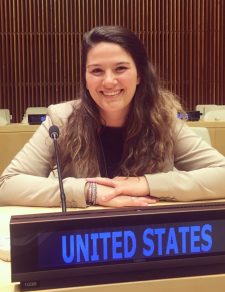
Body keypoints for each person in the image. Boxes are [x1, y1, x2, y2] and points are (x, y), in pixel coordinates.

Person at [1, 25, 225, 208]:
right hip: (86, 240)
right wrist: (89, 191)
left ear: (139, 75)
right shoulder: (61, 119)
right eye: (97, 71)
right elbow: (7, 184)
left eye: (120, 68)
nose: (108, 81)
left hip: (150, 238)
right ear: (85, 79)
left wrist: (146, 184)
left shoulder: (163, 119)